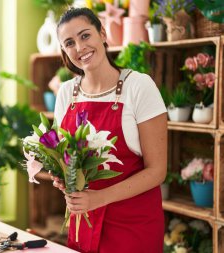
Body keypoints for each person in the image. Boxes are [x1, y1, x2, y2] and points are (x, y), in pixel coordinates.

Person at [52, 7, 167, 253]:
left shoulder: (138, 86)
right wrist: (62, 176)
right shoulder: (65, 93)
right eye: (69, 43)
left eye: (85, 36)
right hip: (84, 221)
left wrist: (99, 198)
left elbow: (157, 171)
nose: (80, 48)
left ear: (102, 33)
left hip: (134, 226)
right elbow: (67, 158)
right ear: (64, 51)